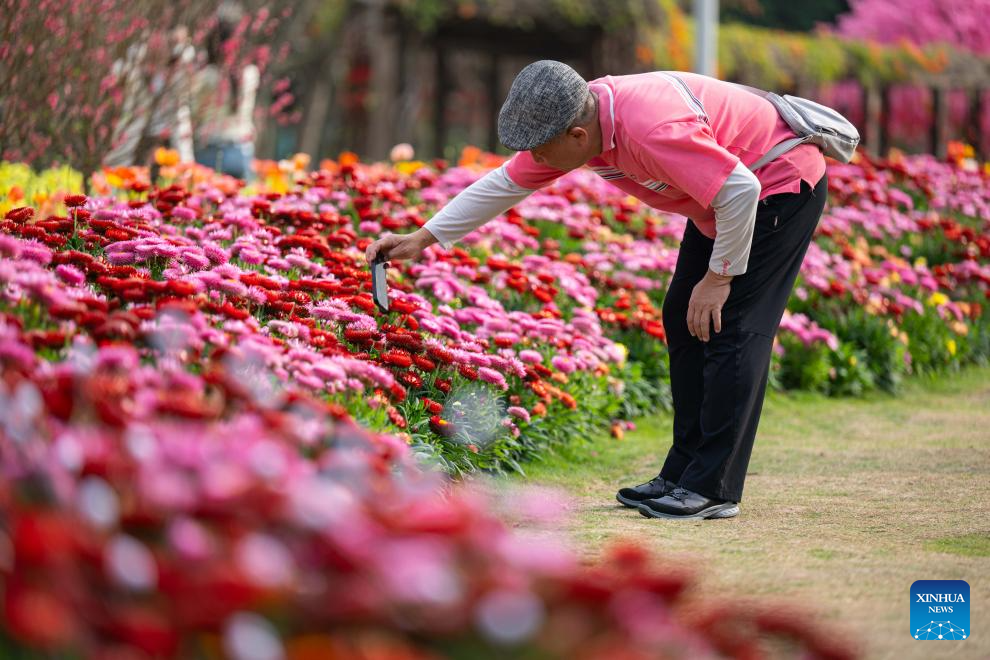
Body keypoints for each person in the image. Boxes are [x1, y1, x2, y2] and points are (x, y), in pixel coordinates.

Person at [365, 60, 828, 520]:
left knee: (731, 327)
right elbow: (506, 182)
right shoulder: (579, 120)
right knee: (681, 316)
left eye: (542, 152)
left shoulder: (648, 128)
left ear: (577, 137)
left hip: (778, 185)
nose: (537, 161)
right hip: (726, 203)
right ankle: (683, 473)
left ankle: (713, 488)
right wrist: (420, 239)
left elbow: (740, 189)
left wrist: (720, 277)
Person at [190, 9, 259, 180]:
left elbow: (194, 112)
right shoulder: (250, 74)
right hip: (240, 151)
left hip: (209, 150)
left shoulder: (205, 77)